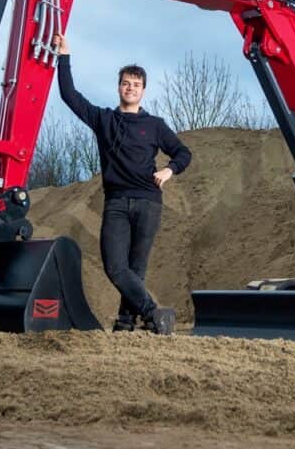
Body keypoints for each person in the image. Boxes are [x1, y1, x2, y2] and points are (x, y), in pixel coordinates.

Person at [52, 32, 192, 335]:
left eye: (137, 85)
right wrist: (64, 56)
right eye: (126, 83)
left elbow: (183, 152)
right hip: (116, 202)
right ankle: (153, 312)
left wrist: (170, 170)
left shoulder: (155, 125)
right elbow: (69, 95)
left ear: (143, 91)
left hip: (149, 203)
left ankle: (125, 323)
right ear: (119, 87)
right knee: (116, 267)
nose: (131, 88)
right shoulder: (104, 120)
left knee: (136, 268)